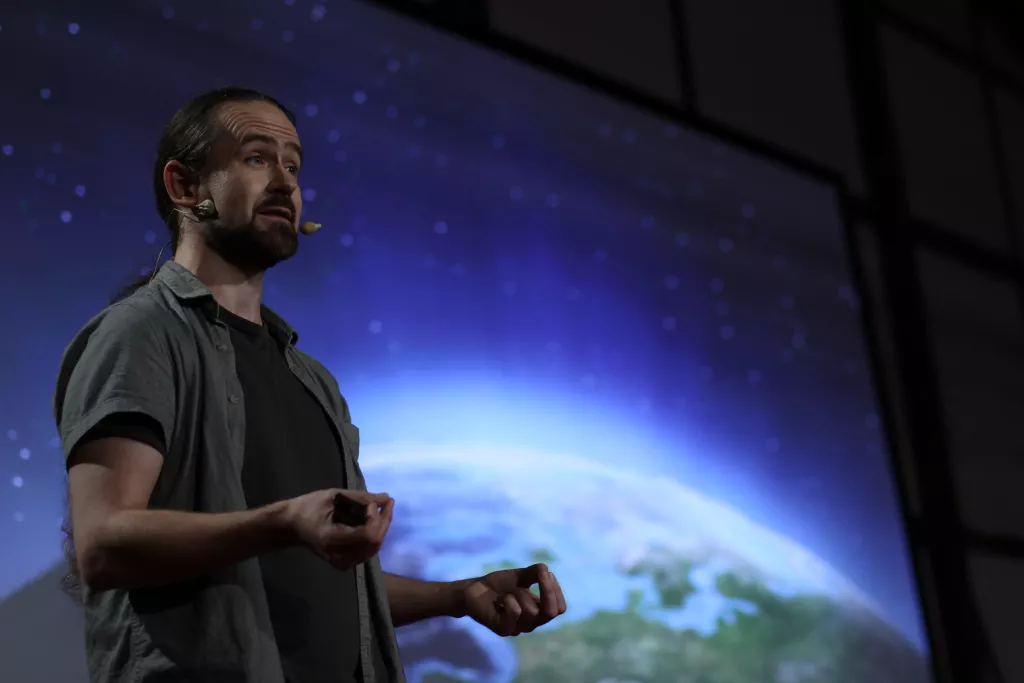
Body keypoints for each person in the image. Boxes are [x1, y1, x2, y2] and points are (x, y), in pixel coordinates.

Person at [54, 86, 567, 683]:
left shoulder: (314, 383)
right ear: (185, 186)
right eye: (256, 158)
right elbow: (103, 543)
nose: (284, 183)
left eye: (293, 166)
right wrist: (283, 523)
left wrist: (458, 597)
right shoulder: (141, 334)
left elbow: (334, 592)